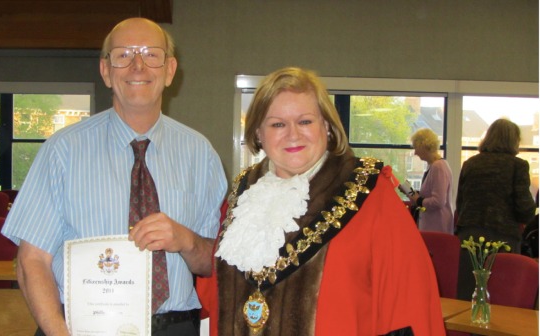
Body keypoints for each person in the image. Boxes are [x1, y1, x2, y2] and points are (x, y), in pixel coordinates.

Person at [1, 18, 227, 336]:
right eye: (123, 55)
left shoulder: (201, 154)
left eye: (151, 54)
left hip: (174, 327)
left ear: (170, 70)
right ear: (106, 71)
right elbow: (31, 261)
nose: (138, 66)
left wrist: (185, 240)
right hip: (79, 327)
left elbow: (214, 264)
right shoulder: (62, 150)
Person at [197, 67, 444, 335]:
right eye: (277, 123)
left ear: (326, 127)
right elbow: (215, 295)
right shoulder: (242, 195)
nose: (293, 134)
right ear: (258, 133)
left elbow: (410, 303)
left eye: (305, 121)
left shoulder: (371, 193)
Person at [455, 118, 536, 300]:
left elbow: (460, 204)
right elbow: (525, 209)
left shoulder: (471, 164)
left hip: (470, 237)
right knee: (501, 296)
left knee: (468, 295)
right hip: (503, 240)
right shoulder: (517, 166)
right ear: (513, 140)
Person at [406, 128, 454, 234]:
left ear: (424, 146)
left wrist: (419, 200)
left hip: (437, 226)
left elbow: (438, 201)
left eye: (416, 148)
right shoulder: (433, 166)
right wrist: (411, 193)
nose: (415, 152)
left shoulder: (438, 167)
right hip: (433, 225)